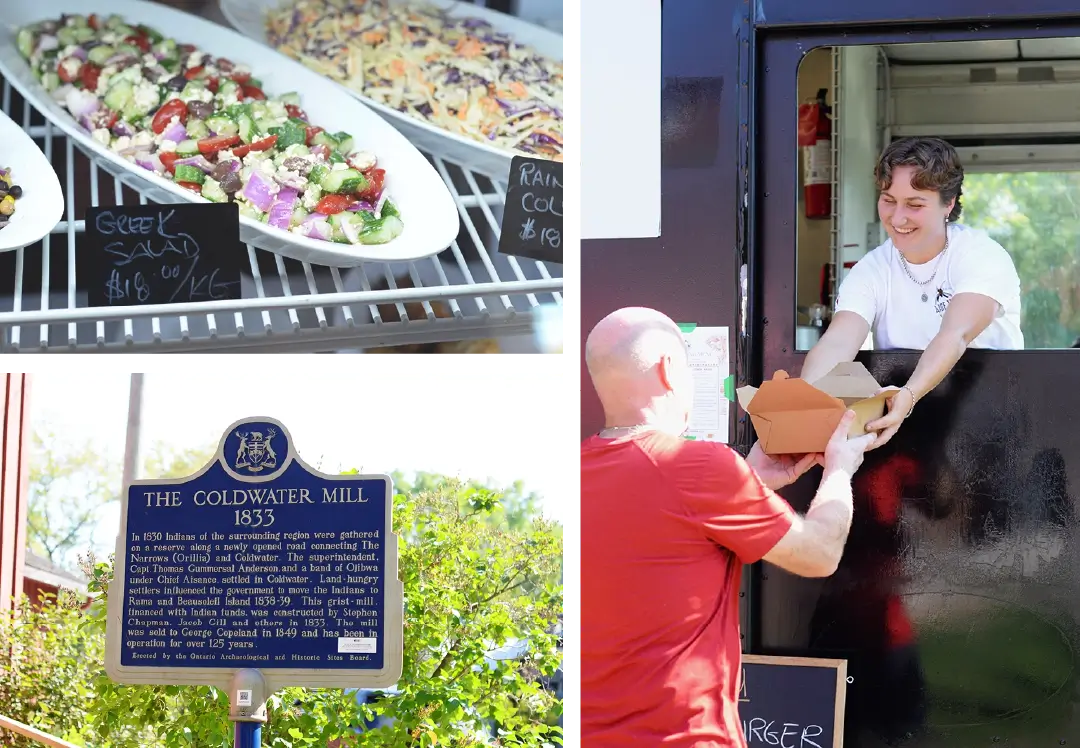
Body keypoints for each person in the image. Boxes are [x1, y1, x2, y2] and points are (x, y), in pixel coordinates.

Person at [580, 306, 875, 747]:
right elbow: (820, 553)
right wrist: (839, 469)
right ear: (668, 369)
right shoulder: (697, 467)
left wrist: (746, 482)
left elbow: (664, 534)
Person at [801, 136, 1023, 450]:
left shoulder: (982, 256)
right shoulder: (872, 269)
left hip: (990, 425)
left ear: (948, 203)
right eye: (888, 200)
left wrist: (909, 394)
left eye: (915, 205)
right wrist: (805, 402)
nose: (897, 217)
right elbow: (838, 341)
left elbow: (955, 335)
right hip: (901, 431)